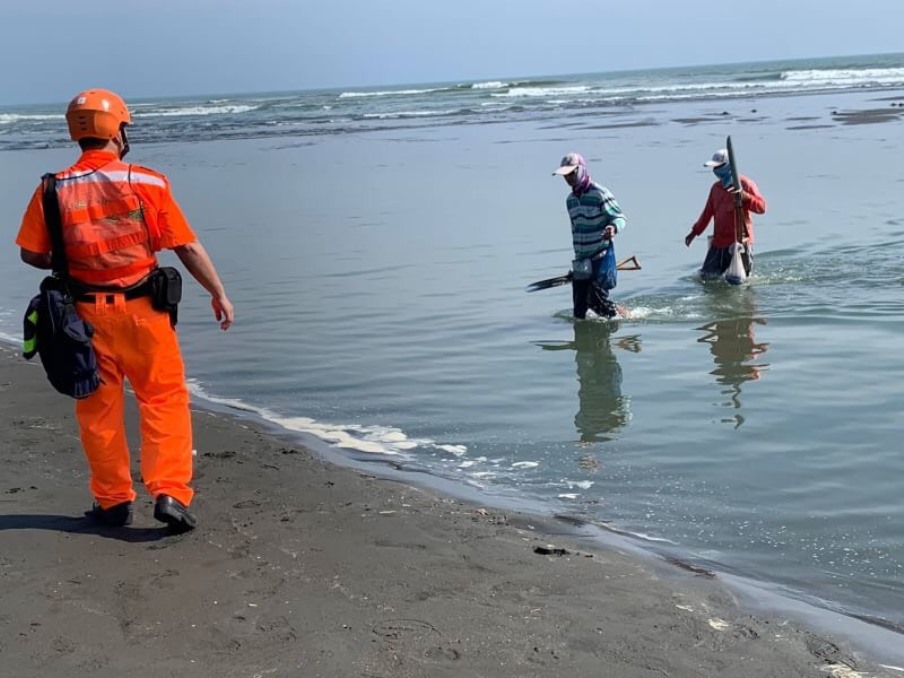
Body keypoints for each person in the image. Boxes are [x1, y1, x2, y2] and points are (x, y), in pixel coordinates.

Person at [15, 89, 234, 533]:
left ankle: (112, 501)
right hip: (145, 316)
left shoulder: (52, 189)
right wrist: (218, 293)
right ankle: (169, 492)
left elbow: (32, 255)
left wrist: (71, 258)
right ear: (117, 130)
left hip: (84, 321)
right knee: (164, 401)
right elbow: (186, 246)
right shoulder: (147, 182)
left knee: (97, 412)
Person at [552, 152, 627, 319]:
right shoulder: (570, 200)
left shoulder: (599, 193)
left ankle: (624, 317)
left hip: (600, 257)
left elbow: (620, 217)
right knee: (579, 312)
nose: (568, 178)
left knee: (602, 309)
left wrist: (612, 228)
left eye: (571, 173)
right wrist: (577, 266)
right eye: (565, 175)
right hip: (581, 262)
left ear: (581, 170)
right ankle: (618, 312)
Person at [684, 148, 767, 280]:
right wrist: (694, 232)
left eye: (718, 167)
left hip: (740, 242)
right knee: (706, 277)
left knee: (738, 281)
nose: (715, 170)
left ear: (729, 165)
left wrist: (746, 197)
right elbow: (707, 213)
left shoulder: (745, 184)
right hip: (719, 243)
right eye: (714, 168)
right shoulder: (716, 188)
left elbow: (762, 207)